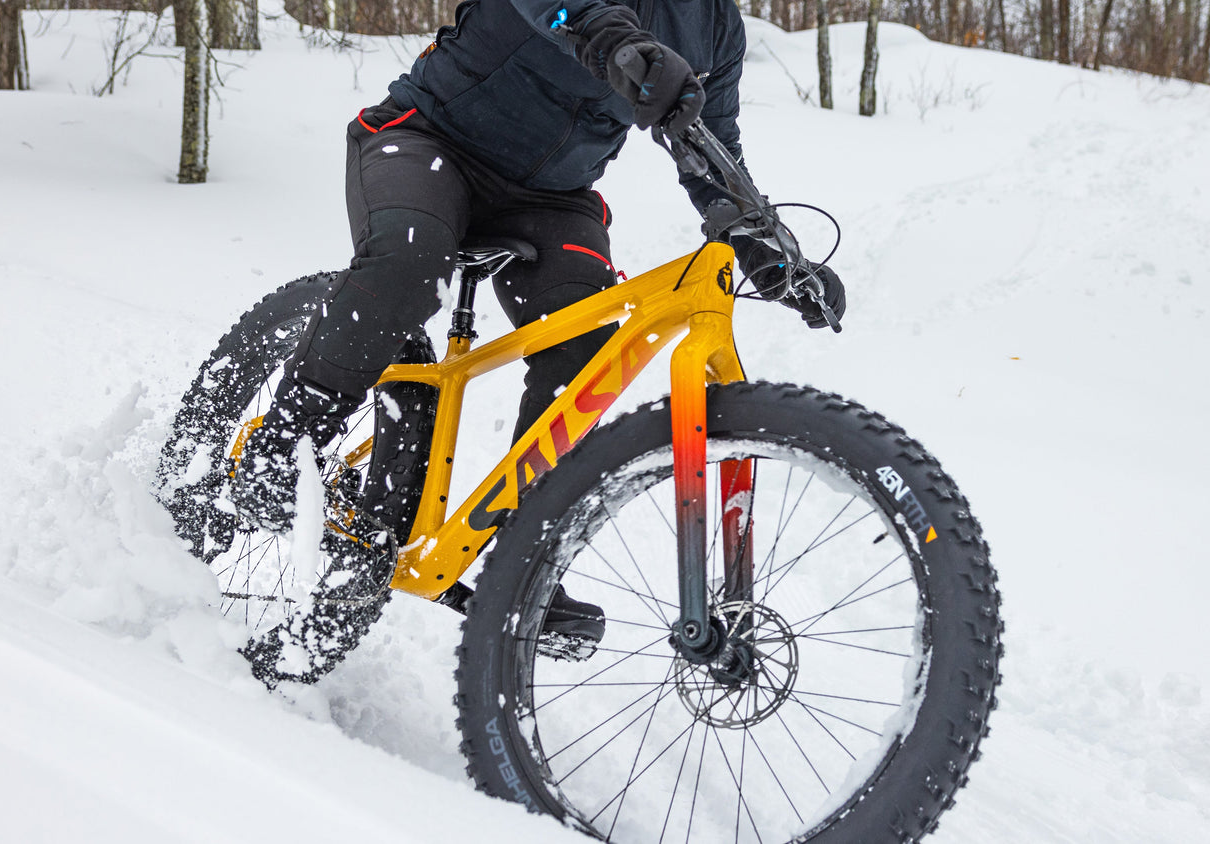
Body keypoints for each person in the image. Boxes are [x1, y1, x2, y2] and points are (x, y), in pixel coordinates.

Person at [231, 0, 847, 648]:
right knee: (411, 261)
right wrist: (613, 40)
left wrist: (774, 260)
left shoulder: (715, 27)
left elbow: (712, 153)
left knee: (587, 340)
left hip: (549, 198)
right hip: (428, 140)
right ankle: (278, 447)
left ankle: (523, 558)